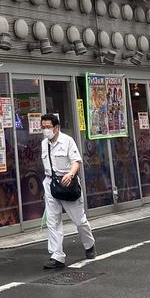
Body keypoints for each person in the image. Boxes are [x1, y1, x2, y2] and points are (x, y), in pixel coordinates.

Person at [40, 113, 96, 269]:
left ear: (56, 127)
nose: (46, 130)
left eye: (48, 127)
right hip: (50, 183)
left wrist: (71, 174)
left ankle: (89, 244)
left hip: (67, 183)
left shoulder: (67, 141)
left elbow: (76, 161)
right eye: (43, 127)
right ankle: (57, 256)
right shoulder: (44, 144)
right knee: (53, 221)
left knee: (79, 220)